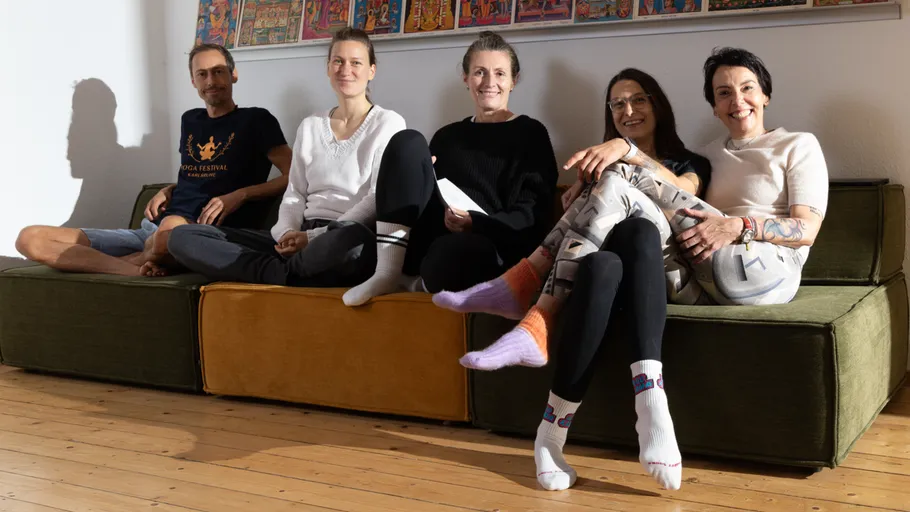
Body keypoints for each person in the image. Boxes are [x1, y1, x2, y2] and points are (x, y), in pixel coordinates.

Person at [434, 68, 710, 491]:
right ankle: (561, 435)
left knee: (635, 224)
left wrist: (628, 153)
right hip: (601, 274)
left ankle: (528, 298)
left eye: (638, 99)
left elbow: (684, 192)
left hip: (661, 275)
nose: (628, 110)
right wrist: (582, 196)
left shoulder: (690, 163)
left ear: (657, 105)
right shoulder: (598, 168)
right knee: (600, 267)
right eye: (617, 103)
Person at [15, 44, 291, 277]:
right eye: (202, 74)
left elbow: (293, 175)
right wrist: (170, 189)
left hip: (192, 236)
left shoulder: (257, 120)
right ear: (193, 81)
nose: (211, 81)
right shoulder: (190, 120)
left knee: (167, 236)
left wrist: (240, 195)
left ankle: (119, 262)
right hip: (152, 229)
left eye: (218, 72)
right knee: (29, 238)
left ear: (233, 75)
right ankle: (134, 269)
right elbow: (198, 174)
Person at [168, 28, 406, 287]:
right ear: (328, 68)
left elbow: (376, 197)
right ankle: (285, 273)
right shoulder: (311, 125)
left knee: (353, 245)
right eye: (337, 61)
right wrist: (287, 233)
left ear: (371, 70)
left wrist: (314, 237)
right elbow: (294, 194)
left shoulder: (388, 123)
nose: (345, 69)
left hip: (343, 235)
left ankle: (275, 271)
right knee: (183, 237)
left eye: (356, 62)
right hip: (301, 235)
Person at [341, 30, 558, 306]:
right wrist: (421, 175)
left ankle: (416, 281)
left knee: (454, 253)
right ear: (466, 78)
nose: (490, 82)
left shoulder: (531, 134)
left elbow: (531, 217)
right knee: (407, 142)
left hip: (489, 243)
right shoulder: (447, 136)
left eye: (500, 74)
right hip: (433, 235)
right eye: (480, 72)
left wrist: (474, 222)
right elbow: (423, 203)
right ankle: (388, 272)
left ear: (514, 81)